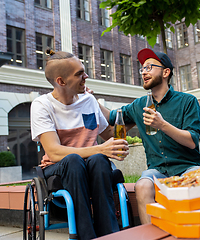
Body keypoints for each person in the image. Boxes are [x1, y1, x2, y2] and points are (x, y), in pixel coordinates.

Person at [30, 49, 129, 240]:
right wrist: (101, 148)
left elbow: (110, 133)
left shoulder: (89, 100)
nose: (86, 76)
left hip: (91, 165)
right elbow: (54, 152)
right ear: (61, 81)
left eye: (84, 71)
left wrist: (134, 120)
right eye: (79, 74)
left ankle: (109, 234)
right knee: (75, 160)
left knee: (99, 159)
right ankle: (86, 236)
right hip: (57, 168)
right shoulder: (42, 105)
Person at [99, 48, 200, 224]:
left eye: (149, 67)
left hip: (188, 166)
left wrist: (162, 125)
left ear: (165, 72)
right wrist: (88, 98)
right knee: (142, 186)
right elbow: (111, 117)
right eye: (143, 69)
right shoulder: (139, 105)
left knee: (196, 182)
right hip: (157, 170)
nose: (144, 72)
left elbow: (192, 141)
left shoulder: (187, 101)